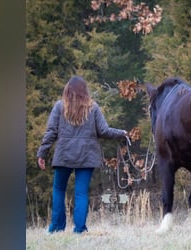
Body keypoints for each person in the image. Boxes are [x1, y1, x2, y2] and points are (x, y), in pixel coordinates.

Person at [37, 76, 128, 234]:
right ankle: (79, 229)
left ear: (67, 90)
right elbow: (104, 131)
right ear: (84, 91)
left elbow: (51, 132)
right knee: (81, 193)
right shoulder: (93, 108)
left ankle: (56, 228)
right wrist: (123, 133)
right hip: (87, 156)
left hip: (64, 155)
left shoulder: (59, 107)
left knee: (59, 190)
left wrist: (42, 153)